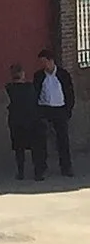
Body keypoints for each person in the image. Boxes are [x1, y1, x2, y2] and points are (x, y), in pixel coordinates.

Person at [36, 48, 75, 177]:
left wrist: (68, 110)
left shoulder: (63, 74)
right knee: (41, 140)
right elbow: (35, 93)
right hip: (44, 109)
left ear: (51, 61)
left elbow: (69, 93)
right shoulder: (39, 76)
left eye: (44, 62)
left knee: (62, 140)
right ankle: (41, 168)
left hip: (60, 109)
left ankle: (66, 167)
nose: (43, 65)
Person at [5, 64, 46, 180]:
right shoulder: (30, 87)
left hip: (16, 122)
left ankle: (21, 172)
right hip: (32, 121)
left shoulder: (10, 88)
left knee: (19, 149)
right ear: (22, 74)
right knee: (36, 148)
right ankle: (38, 173)